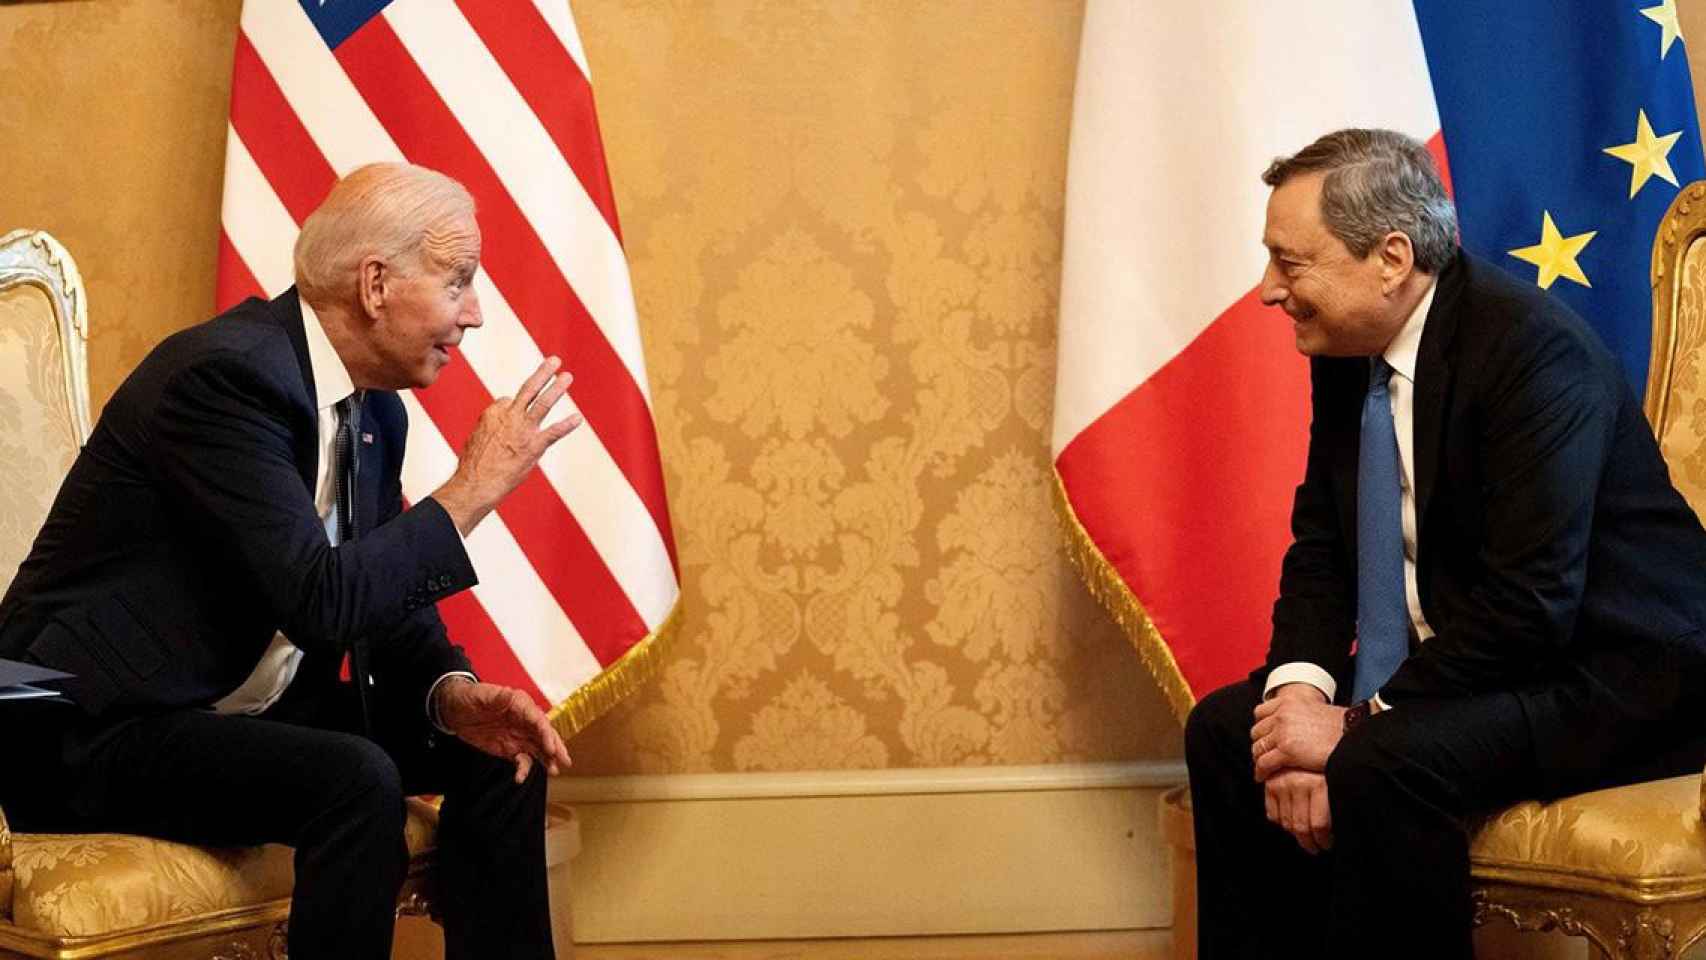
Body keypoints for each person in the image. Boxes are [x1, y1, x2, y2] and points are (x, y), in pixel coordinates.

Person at [0, 162, 576, 959]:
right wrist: (473, 487)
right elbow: (323, 601)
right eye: (458, 283)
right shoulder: (225, 379)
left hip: (226, 710)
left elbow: (384, 600)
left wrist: (452, 696)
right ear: (375, 285)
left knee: (498, 756)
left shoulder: (374, 412)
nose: (474, 314)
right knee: (354, 779)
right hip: (92, 724)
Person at [1184, 129, 1706, 959]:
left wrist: (1353, 723)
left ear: (1390, 258)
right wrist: (1298, 708)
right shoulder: (1348, 347)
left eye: (1291, 263)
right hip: (1481, 657)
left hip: (1617, 673)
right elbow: (1322, 546)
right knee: (1226, 730)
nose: (1267, 292)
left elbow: (1531, 608)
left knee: (1382, 763)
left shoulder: (1533, 356)